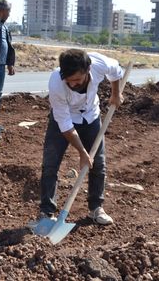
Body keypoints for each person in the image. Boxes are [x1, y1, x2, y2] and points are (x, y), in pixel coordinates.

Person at [39, 49, 124, 225]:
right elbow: (65, 125)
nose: (73, 84)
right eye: (69, 81)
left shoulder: (99, 64)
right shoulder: (56, 82)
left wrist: (116, 94)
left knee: (98, 164)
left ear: (88, 70)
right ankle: (47, 213)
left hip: (91, 116)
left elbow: (116, 71)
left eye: (77, 80)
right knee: (50, 164)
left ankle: (96, 208)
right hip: (62, 119)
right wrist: (82, 152)